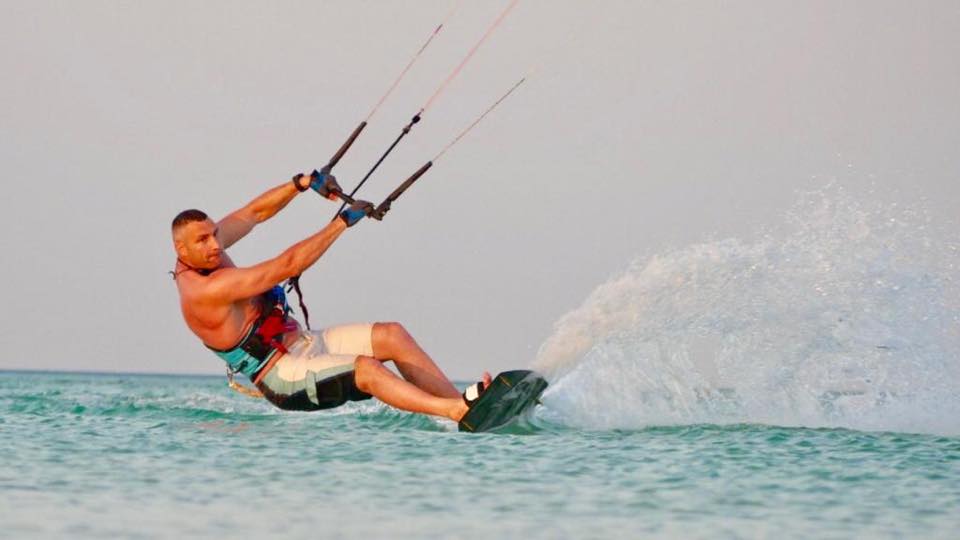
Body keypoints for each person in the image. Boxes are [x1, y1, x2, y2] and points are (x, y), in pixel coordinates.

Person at [170, 170, 490, 421]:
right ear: (181, 249)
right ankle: (453, 411)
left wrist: (301, 183)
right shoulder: (206, 291)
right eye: (203, 240)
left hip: (304, 342)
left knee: (392, 335)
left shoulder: (208, 252)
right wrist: (341, 223)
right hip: (282, 373)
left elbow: (253, 212)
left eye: (214, 234)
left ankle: (462, 410)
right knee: (366, 369)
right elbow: (286, 265)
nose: (215, 244)